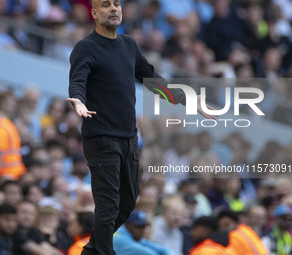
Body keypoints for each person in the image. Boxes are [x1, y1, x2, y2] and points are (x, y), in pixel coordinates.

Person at [67, 0, 214, 254]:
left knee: (127, 202)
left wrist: (188, 99)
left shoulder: (129, 46)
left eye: (117, 4)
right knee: (108, 205)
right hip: (101, 138)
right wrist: (78, 101)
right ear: (94, 13)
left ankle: (92, 251)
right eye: (106, 5)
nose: (113, 8)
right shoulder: (85, 47)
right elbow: (78, 81)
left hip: (129, 139)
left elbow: (152, 81)